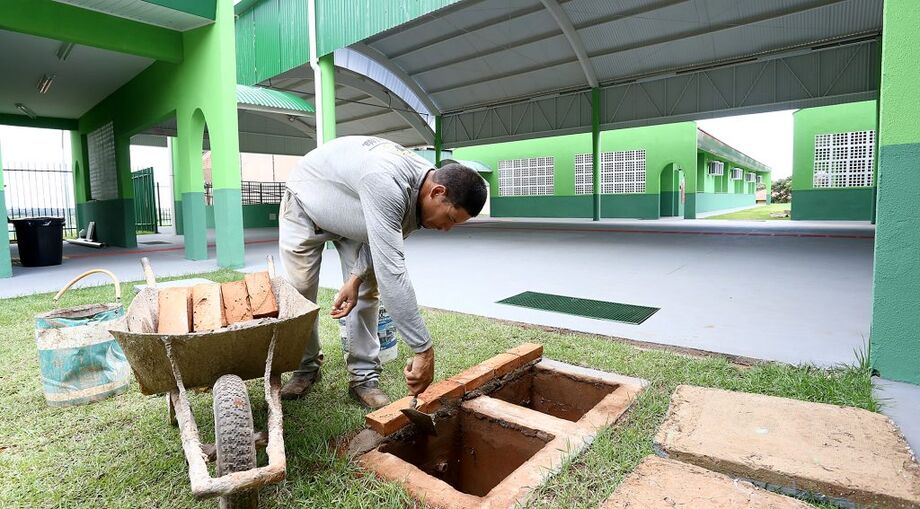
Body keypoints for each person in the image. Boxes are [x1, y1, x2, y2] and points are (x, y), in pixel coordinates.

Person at [278, 136, 487, 409]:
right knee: (300, 292)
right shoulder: (388, 183)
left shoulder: (419, 196)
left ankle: (363, 377)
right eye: (449, 218)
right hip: (308, 203)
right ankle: (305, 367)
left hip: (357, 210)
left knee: (366, 289)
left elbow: (383, 238)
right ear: (437, 192)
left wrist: (355, 278)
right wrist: (423, 349)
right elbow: (393, 272)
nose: (447, 229)